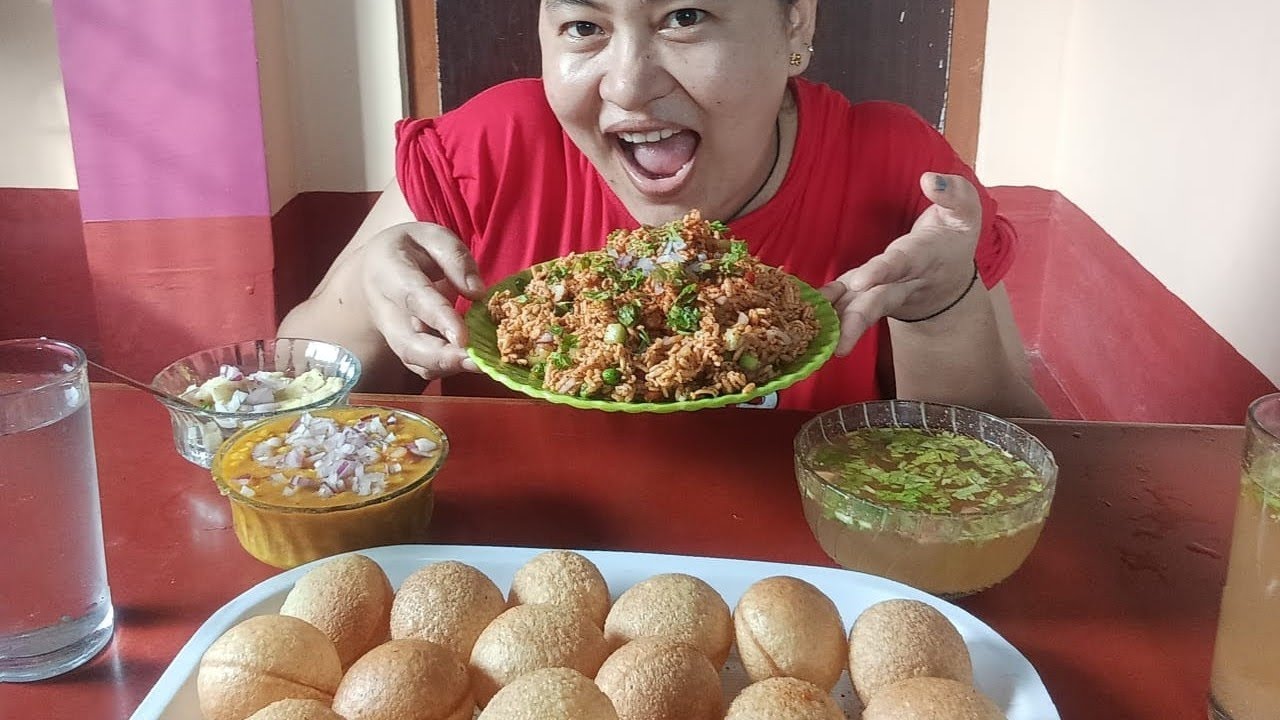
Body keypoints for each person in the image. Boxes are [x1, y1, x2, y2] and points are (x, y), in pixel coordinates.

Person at [279, 0, 1048, 417]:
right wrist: (374, 301)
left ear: (797, 24)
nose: (626, 84)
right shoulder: (486, 151)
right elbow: (289, 386)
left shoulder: (894, 172)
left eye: (685, 17)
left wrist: (943, 310)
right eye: (585, 27)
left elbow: (1017, 450)